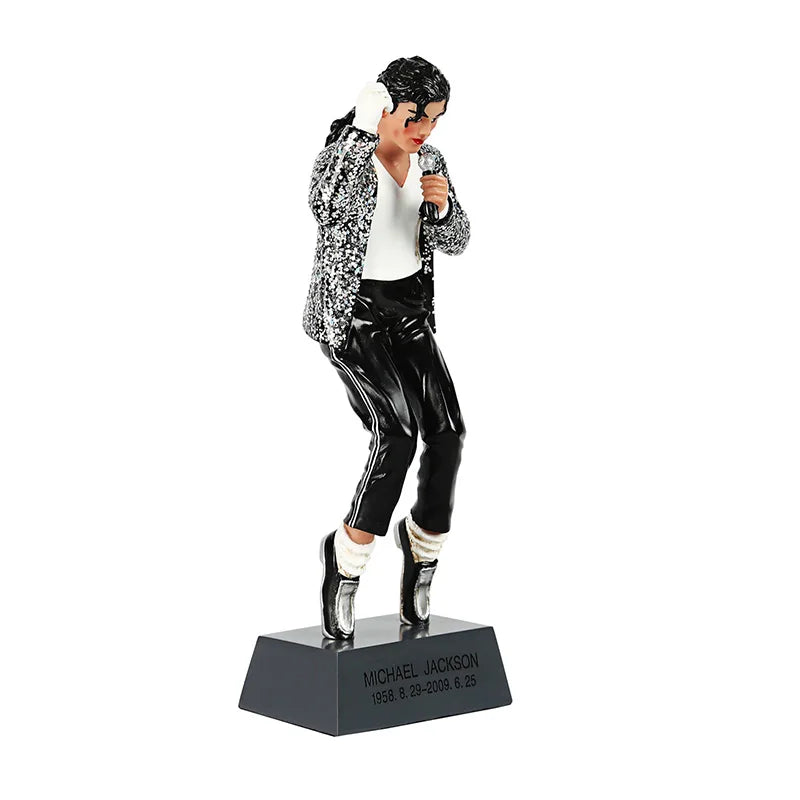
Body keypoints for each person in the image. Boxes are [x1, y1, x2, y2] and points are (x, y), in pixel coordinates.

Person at [302, 56, 471, 639]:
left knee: (447, 433)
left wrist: (442, 208)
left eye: (435, 118)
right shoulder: (349, 155)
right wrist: (359, 127)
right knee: (396, 434)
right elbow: (325, 204)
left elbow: (457, 239)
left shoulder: (431, 160)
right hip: (354, 316)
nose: (424, 129)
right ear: (382, 106)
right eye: (414, 116)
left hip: (410, 313)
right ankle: (346, 562)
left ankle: (423, 553)